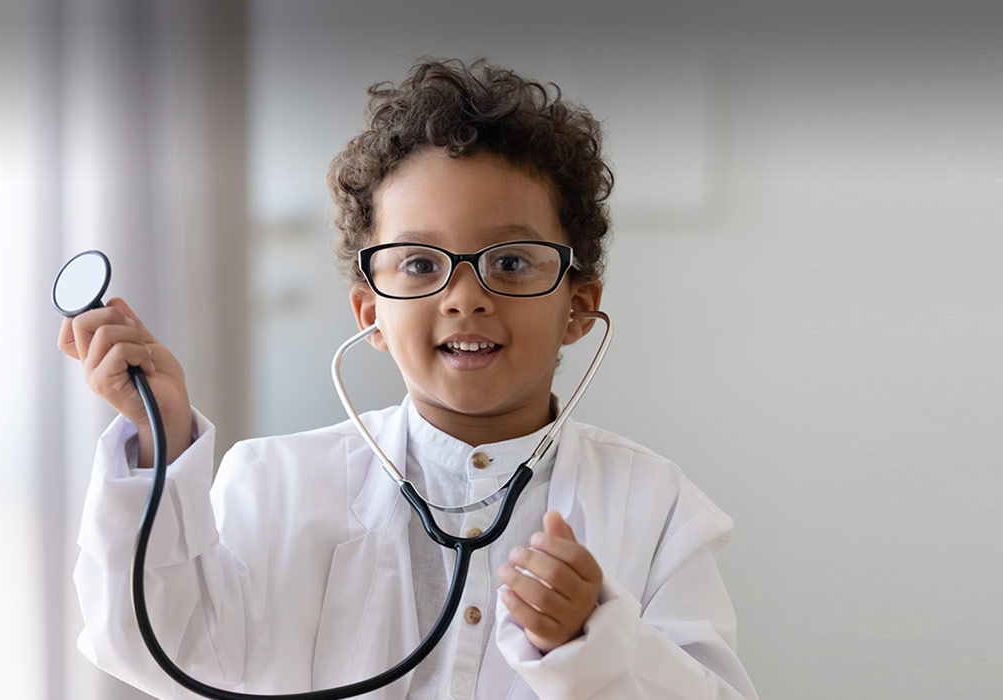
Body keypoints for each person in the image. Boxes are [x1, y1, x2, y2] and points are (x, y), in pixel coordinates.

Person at [56, 57, 759, 700]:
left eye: (511, 262)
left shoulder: (656, 508)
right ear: (371, 315)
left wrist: (594, 643)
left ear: (577, 308)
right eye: (420, 264)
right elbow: (158, 646)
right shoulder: (278, 483)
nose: (465, 296)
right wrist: (161, 443)